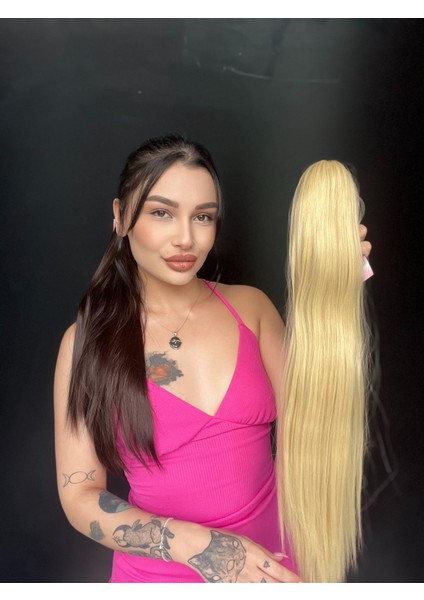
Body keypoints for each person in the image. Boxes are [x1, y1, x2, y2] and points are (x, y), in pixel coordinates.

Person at [54, 134, 372, 583]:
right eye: (162, 213)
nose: (186, 238)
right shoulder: (86, 345)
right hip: (159, 581)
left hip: (278, 571)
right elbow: (81, 495)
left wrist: (333, 293)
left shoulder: (251, 309)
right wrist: (201, 546)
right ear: (121, 215)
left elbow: (314, 429)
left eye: (202, 216)